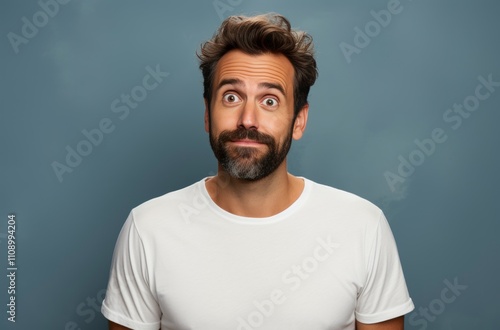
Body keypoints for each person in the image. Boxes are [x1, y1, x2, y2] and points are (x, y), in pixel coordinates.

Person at [101, 13, 414, 330]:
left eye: (270, 100)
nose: (248, 119)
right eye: (231, 97)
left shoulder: (362, 227)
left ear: (299, 121)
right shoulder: (148, 229)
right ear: (208, 114)